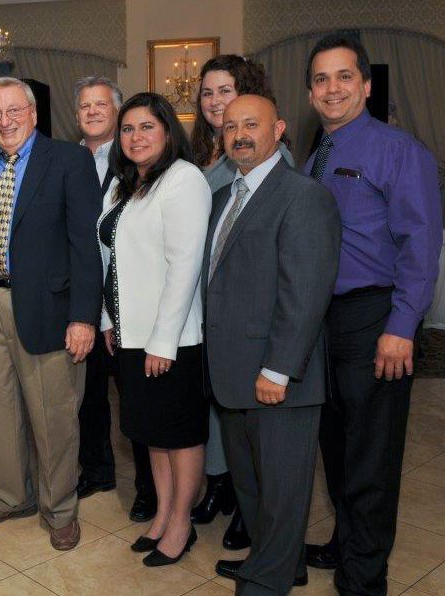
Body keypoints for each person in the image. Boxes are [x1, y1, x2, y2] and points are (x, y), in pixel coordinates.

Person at [302, 33, 442, 596]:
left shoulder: (398, 150)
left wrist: (400, 327)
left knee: (372, 454)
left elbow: (422, 245)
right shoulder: (316, 157)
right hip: (323, 322)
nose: (331, 89)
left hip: (374, 315)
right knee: (335, 445)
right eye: (320, 79)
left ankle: (365, 576)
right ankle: (346, 542)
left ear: (364, 83)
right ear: (310, 92)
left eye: (342, 77)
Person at [204, 94, 341, 594]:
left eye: (252, 124)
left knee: (283, 492)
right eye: (231, 126)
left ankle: (267, 582)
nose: (239, 134)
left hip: (278, 378)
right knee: (253, 488)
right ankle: (280, 562)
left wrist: (278, 370)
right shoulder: (223, 199)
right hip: (231, 374)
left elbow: (305, 293)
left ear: (278, 128)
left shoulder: (303, 196)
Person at [0, 77, 102, 551]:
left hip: (48, 308)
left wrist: (83, 316)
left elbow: (87, 246)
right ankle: (8, 496)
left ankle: (60, 508)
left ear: (34, 113)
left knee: (53, 415)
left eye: (14, 111)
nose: (5, 121)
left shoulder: (69, 161)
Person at [188, 54, 295, 551]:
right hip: (206, 302)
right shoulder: (202, 152)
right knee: (216, 401)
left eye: (225, 91)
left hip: (248, 311)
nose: (215, 102)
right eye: (207, 94)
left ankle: (245, 504)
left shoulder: (271, 159)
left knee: (248, 416)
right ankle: (220, 484)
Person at [98, 92, 210, 566]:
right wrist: (109, 320)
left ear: (168, 130)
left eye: (147, 127)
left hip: (171, 340)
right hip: (130, 335)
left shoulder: (184, 180)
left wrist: (163, 341)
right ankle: (163, 513)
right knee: (152, 435)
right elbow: (109, 259)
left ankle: (182, 523)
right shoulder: (123, 185)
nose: (136, 137)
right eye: (127, 129)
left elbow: (184, 266)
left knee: (179, 436)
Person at [72, 76, 158, 523]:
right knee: (86, 398)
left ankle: (149, 488)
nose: (91, 112)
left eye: (101, 104)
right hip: (80, 301)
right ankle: (98, 470)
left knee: (136, 400)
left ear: (118, 112)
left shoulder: (138, 161)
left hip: (128, 303)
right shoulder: (64, 159)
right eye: (84, 105)